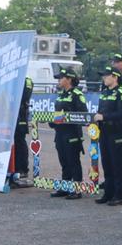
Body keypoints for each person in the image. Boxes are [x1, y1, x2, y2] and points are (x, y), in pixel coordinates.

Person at [49, 69, 87, 198]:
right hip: (59, 134)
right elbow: (57, 114)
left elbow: (84, 115)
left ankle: (77, 190)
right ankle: (65, 187)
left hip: (72, 134)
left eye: (61, 78)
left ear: (69, 79)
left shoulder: (77, 94)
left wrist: (67, 116)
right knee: (64, 162)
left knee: (73, 162)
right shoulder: (61, 94)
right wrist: (53, 121)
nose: (59, 80)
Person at [93, 68, 122, 205]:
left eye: (106, 76)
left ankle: (119, 196)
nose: (104, 78)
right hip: (104, 133)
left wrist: (104, 116)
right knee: (107, 164)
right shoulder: (104, 92)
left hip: (116, 133)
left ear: (115, 77)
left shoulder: (121, 92)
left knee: (117, 165)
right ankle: (108, 193)